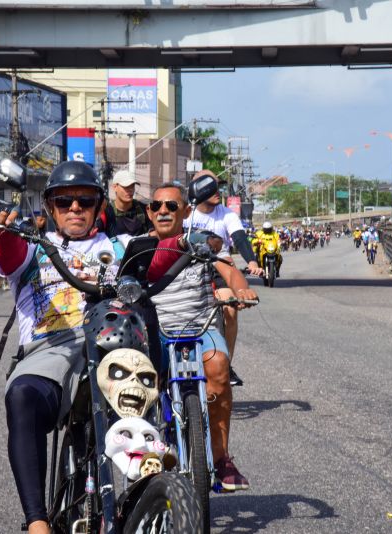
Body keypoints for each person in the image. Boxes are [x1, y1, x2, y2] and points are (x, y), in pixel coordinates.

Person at [0, 160, 115, 534]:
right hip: (49, 351)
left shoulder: (121, 248)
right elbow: (10, 254)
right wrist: (5, 233)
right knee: (22, 396)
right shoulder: (34, 247)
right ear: (49, 207)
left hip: (109, 346)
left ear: (99, 207)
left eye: (84, 200)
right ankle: (37, 522)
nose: (75, 208)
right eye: (64, 201)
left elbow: (159, 262)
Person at [145, 182, 258, 492]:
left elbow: (229, 269)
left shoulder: (202, 243)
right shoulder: (138, 246)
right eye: (157, 206)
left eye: (171, 206)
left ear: (185, 210)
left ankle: (221, 459)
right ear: (149, 212)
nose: (164, 211)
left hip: (201, 327)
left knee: (220, 369)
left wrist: (240, 288)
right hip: (157, 331)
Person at [184, 170, 262, 386]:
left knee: (230, 309)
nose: (217, 191)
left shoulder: (227, 214)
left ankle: (226, 364)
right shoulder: (185, 214)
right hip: (189, 266)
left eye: (218, 186)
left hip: (220, 266)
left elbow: (239, 238)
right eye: (210, 186)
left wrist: (252, 262)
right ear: (196, 189)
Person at [96, 169, 152, 237]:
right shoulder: (106, 213)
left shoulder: (144, 210)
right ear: (115, 187)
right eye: (126, 186)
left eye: (132, 186)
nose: (130, 190)